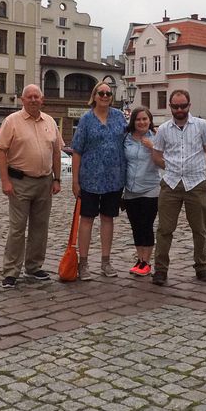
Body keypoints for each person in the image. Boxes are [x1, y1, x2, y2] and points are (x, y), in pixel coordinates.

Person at [0, 84, 64, 289]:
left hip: (44, 182)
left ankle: (34, 267)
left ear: (42, 100)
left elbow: (57, 152)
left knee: (40, 227)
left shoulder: (50, 121)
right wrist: (5, 181)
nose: (33, 100)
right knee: (17, 228)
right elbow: (0, 151)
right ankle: (11, 271)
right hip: (20, 182)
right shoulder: (12, 121)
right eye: (29, 97)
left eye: (37, 96)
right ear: (22, 100)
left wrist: (57, 179)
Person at [150, 89, 206, 286]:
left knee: (199, 228)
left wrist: (196, 168)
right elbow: (156, 155)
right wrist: (170, 167)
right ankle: (160, 270)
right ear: (170, 107)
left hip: (196, 183)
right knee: (164, 229)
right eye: (175, 106)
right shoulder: (163, 129)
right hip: (170, 184)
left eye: (183, 106)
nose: (179, 109)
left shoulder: (201, 126)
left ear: (189, 105)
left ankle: (202, 266)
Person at [71, 81, 127, 281]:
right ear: (94, 96)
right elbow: (77, 151)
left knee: (107, 219)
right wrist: (75, 181)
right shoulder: (86, 120)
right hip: (90, 179)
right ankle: (83, 263)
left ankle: (106, 261)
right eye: (101, 93)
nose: (105, 96)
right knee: (86, 220)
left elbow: (130, 140)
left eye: (108, 93)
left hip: (114, 178)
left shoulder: (119, 117)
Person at [122, 106, 161, 277]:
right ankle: (139, 259)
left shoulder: (157, 138)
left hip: (150, 188)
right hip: (130, 189)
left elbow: (164, 160)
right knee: (136, 226)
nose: (142, 122)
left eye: (145, 119)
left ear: (150, 121)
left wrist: (153, 147)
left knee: (146, 225)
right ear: (133, 122)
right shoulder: (127, 139)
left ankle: (147, 261)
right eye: (138, 119)